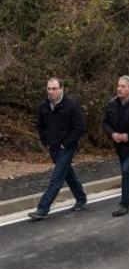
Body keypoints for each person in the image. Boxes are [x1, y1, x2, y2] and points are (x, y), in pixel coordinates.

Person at [28, 78, 88, 220]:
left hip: (66, 148)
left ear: (62, 88)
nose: (51, 92)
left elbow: (80, 127)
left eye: (54, 88)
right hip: (53, 147)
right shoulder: (44, 106)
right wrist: (45, 142)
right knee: (68, 174)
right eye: (48, 89)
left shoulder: (71, 106)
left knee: (57, 178)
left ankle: (42, 209)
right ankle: (81, 198)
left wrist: (66, 143)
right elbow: (41, 127)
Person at [102, 76, 129, 217]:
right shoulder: (112, 103)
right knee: (127, 170)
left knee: (126, 170)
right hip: (118, 144)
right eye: (118, 86)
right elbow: (105, 123)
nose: (119, 89)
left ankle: (124, 205)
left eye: (123, 86)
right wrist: (112, 133)